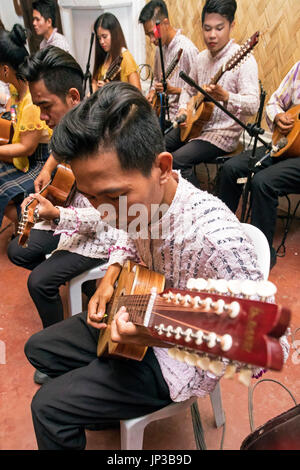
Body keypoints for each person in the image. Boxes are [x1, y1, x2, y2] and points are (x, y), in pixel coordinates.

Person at [23, 81, 291, 450]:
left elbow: (269, 342)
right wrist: (113, 273)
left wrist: (162, 327)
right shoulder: (138, 202)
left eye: (113, 196)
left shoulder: (213, 237)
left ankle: (95, 394)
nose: (104, 212)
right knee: (39, 348)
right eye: (92, 197)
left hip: (176, 362)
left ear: (163, 167)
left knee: (48, 407)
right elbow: (128, 235)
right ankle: (102, 403)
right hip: (137, 309)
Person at [7, 46, 120, 385]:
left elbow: (108, 218)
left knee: (39, 281)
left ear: (73, 96)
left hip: (102, 233)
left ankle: (59, 347)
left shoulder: (101, 142)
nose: (42, 116)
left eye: (45, 106)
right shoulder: (70, 123)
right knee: (18, 249)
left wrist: (56, 213)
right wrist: (48, 170)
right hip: (71, 213)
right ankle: (76, 291)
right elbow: (58, 148)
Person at [165, 0, 260, 188]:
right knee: (158, 148)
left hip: (221, 134)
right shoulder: (201, 58)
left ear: (232, 25)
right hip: (194, 125)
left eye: (219, 28)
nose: (212, 35)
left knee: (177, 161)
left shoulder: (245, 60)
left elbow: (253, 105)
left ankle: (199, 207)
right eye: (207, 29)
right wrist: (183, 109)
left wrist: (227, 97)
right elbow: (188, 90)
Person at [218, 61, 300, 269]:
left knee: (264, 182)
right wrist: (278, 116)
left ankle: (259, 255)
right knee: (231, 168)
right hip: (285, 143)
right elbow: (274, 102)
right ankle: (220, 235)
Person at [0, 24, 51, 227]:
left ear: (5, 70)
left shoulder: (31, 100)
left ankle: (28, 224)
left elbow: (26, 148)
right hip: (25, 156)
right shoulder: (16, 91)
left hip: (39, 161)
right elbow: (12, 119)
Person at [138, 0, 199, 123]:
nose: (151, 40)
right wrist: (152, 91)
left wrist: (174, 90)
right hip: (160, 114)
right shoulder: (159, 49)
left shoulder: (187, 49)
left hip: (180, 120)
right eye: (148, 36)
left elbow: (198, 93)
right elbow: (156, 79)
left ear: (165, 23)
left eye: (152, 33)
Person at [92, 12, 141, 92]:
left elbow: (137, 91)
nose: (101, 42)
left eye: (104, 37)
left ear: (114, 34)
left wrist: (110, 89)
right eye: (99, 38)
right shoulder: (105, 56)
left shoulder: (125, 57)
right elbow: (94, 81)